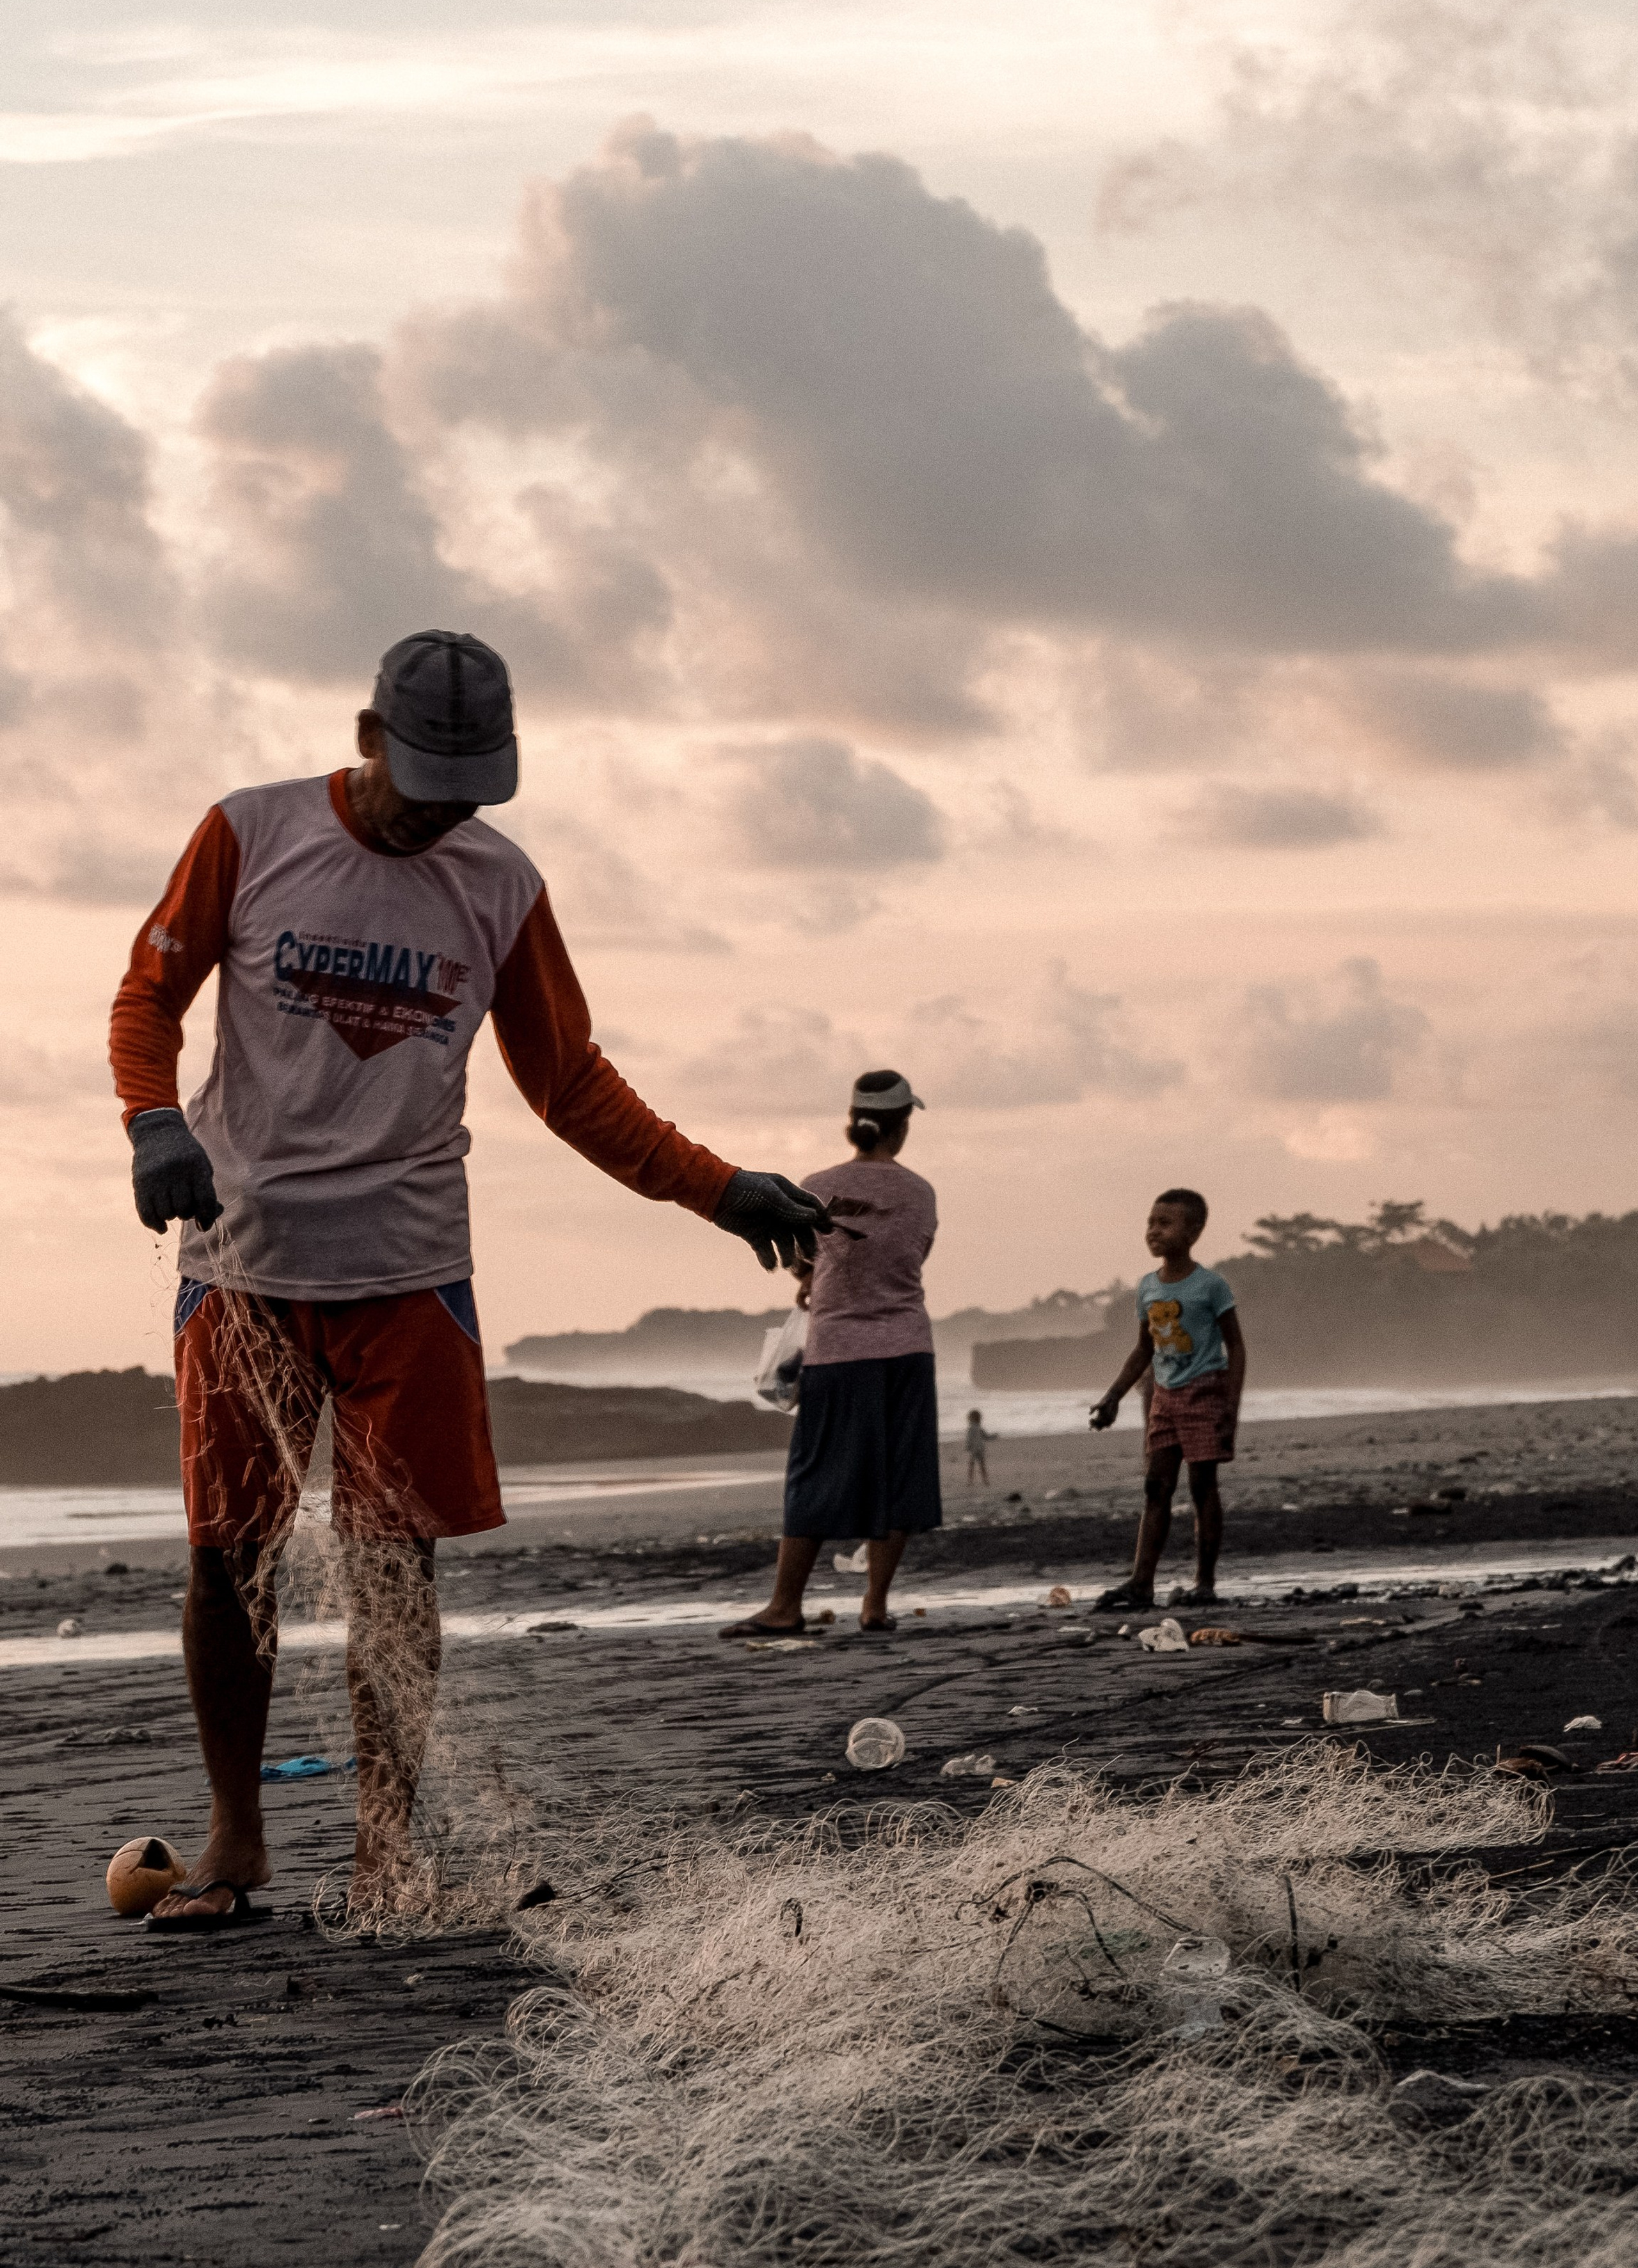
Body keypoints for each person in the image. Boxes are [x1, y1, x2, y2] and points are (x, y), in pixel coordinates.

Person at [109, 628, 830, 1923]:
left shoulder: (498, 885)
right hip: (240, 1262)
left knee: (393, 1570)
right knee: (231, 1561)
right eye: (422, 776)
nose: (441, 808)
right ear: (366, 736)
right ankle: (235, 1840)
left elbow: (567, 1082)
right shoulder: (250, 831)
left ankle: (388, 1851)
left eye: (469, 787)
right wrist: (154, 1122)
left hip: (410, 1271)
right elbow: (149, 996)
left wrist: (720, 1192)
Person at [725, 1070, 939, 1637]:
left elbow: (801, 1256)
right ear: (902, 1125)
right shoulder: (920, 1192)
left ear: (854, 1121)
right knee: (897, 1475)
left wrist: (812, 1277)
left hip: (839, 1350)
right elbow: (911, 1258)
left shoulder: (816, 1184)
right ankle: (874, 1606)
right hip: (908, 1347)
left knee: (816, 1474)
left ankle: (785, 1606)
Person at [1088, 1187, 1245, 1611]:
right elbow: (1144, 1349)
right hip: (1163, 1395)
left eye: (1165, 1223)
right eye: (1150, 1223)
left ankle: (1205, 1583)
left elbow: (1236, 1346)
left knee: (1201, 1486)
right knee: (1156, 1486)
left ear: (1193, 1232)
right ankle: (1142, 1583)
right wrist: (1113, 1397)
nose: (1154, 1231)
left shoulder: (1210, 1286)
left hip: (1205, 1393)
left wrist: (1231, 1407)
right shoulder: (1147, 1288)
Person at [965, 1408, 998, 1486]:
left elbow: (969, 1438)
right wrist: (993, 1437)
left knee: (972, 1465)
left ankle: (970, 1481)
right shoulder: (979, 1428)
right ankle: (985, 1480)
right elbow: (986, 1437)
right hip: (980, 1449)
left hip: (974, 1449)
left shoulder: (971, 1428)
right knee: (982, 1465)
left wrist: (968, 1446)